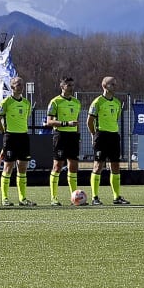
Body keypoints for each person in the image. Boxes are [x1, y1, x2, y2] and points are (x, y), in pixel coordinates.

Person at [87, 76, 129, 206]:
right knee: (98, 166)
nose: (115, 86)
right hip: (101, 136)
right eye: (112, 84)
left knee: (115, 166)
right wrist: (94, 135)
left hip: (114, 136)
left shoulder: (117, 103)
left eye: (115, 84)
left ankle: (116, 197)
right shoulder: (97, 102)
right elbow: (89, 121)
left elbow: (115, 119)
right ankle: (95, 197)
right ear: (104, 86)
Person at [0, 76, 35, 207]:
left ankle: (23, 199)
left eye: (22, 84)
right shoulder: (6, 102)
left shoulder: (26, 103)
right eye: (18, 84)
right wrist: (5, 133)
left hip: (23, 137)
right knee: (8, 167)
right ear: (12, 86)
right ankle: (5, 198)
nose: (21, 86)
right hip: (10, 137)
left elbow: (25, 118)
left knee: (23, 168)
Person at [45, 77, 82, 206]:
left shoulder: (77, 102)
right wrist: (66, 123)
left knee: (73, 166)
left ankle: (74, 198)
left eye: (72, 85)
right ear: (62, 87)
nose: (71, 87)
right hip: (60, 135)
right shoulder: (55, 102)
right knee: (57, 166)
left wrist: (78, 135)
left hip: (73, 137)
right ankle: (54, 198)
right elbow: (49, 122)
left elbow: (77, 122)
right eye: (69, 85)